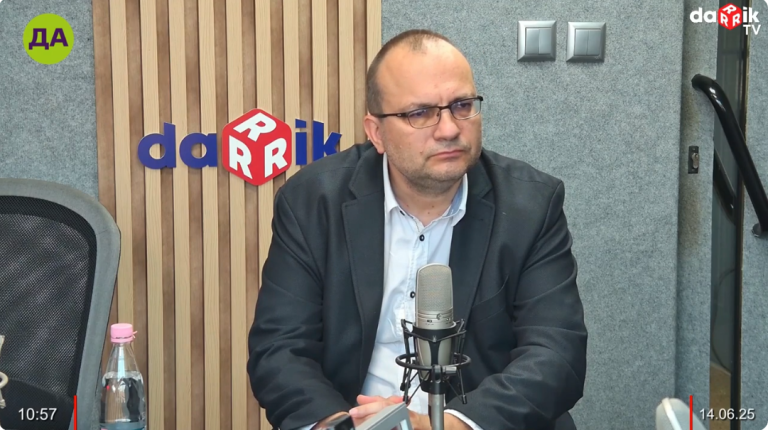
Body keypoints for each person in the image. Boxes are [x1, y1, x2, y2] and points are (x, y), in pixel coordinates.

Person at [247, 29, 588, 430]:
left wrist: (442, 427)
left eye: (462, 106)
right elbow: (280, 350)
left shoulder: (530, 205)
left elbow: (555, 354)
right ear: (376, 133)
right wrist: (341, 426)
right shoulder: (312, 201)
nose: (448, 129)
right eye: (420, 113)